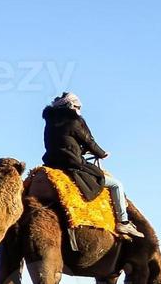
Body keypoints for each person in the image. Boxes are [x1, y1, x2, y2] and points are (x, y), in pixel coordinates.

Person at [42, 92, 143, 239]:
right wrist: (102, 153)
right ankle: (123, 222)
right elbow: (88, 141)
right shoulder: (74, 121)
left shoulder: (49, 123)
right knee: (116, 185)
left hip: (52, 164)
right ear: (70, 106)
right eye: (77, 106)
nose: (79, 110)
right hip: (73, 164)